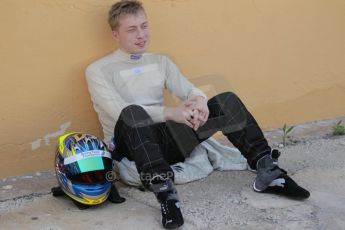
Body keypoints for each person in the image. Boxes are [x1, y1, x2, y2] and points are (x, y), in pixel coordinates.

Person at [85, 1, 310, 228]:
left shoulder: (160, 61)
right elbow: (119, 112)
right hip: (131, 146)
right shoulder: (98, 70)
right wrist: (173, 113)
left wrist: (199, 101)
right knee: (132, 113)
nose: (141, 35)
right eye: (132, 29)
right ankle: (166, 195)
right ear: (116, 35)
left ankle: (268, 170)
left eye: (144, 26)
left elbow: (188, 89)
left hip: (165, 142)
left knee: (226, 101)